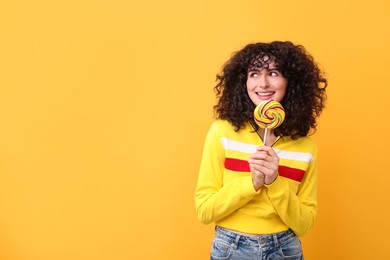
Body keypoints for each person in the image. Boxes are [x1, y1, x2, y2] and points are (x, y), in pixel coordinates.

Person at [195, 41, 327, 259]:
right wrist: (252, 183)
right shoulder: (222, 133)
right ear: (243, 82)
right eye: (254, 74)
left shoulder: (305, 147)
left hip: (285, 250)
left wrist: (274, 182)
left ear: (290, 81)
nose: (263, 83)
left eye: (273, 73)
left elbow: (304, 225)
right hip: (231, 248)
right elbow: (205, 210)